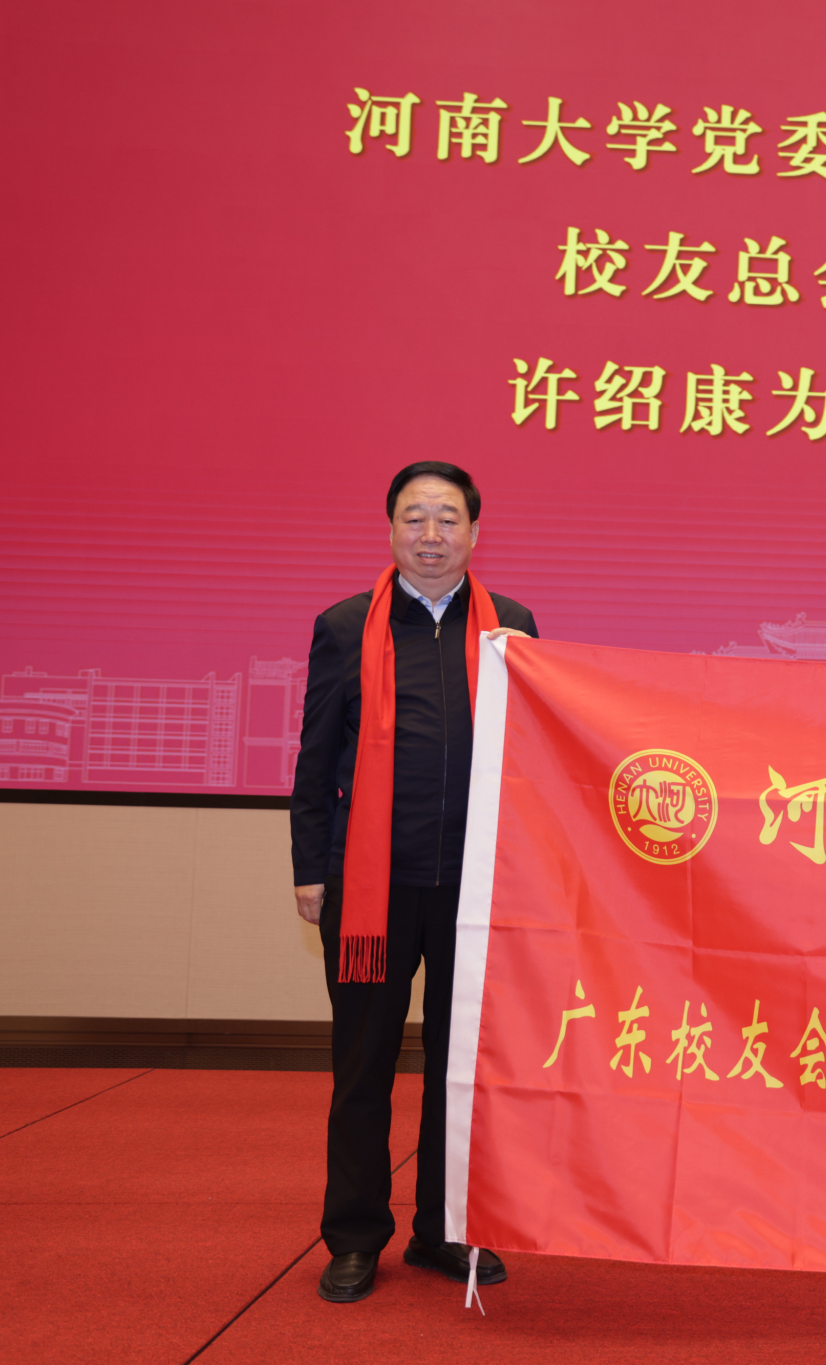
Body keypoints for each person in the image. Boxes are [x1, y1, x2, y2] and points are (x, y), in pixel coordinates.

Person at [291, 462, 539, 1303]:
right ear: (390, 528)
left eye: (447, 518)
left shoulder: (512, 627)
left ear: (475, 531)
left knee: (459, 1066)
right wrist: (309, 868)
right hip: (370, 888)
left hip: (475, 887)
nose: (431, 535)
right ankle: (355, 1234)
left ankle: (444, 1227)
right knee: (362, 1065)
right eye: (414, 517)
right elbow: (316, 757)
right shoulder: (344, 626)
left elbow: (534, 756)